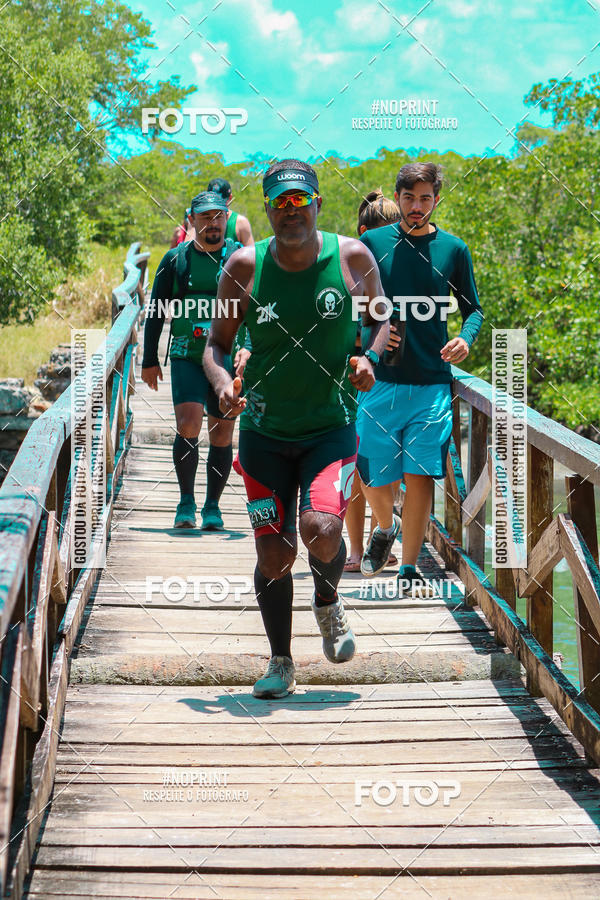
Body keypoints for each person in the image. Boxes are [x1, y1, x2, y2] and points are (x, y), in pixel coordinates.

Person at [203, 159, 389, 699]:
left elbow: (382, 318)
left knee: (323, 529)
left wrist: (369, 358)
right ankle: (281, 661)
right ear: (266, 209)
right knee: (272, 552)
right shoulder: (244, 266)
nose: (291, 212)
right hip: (263, 432)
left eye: (299, 201)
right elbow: (215, 344)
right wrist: (220, 385)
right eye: (280, 203)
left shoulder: (352, 257)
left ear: (317, 204)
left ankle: (328, 603)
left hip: (330, 426)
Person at [356, 162, 483, 592]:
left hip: (431, 382)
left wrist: (466, 339)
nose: (416, 207)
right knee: (373, 472)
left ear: (436, 200)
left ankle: (408, 569)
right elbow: (347, 305)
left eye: (426, 198)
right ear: (398, 198)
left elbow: (474, 311)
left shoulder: (453, 250)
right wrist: (368, 335)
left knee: (420, 475)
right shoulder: (371, 244)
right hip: (381, 382)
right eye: (409, 198)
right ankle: (386, 524)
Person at [141, 191, 241, 530]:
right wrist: (149, 358)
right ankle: (186, 501)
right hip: (186, 352)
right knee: (188, 424)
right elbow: (155, 311)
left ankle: (213, 505)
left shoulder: (241, 258)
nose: (213, 224)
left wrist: (251, 349)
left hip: (227, 356)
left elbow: (258, 309)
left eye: (219, 217)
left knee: (222, 432)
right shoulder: (175, 260)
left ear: (228, 217)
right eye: (205, 218)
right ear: (191, 220)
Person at [345, 190, 401, 573]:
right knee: (355, 470)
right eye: (387, 233)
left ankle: (385, 539)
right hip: (352, 380)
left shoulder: (404, 269)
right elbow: (340, 328)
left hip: (396, 383)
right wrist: (372, 341)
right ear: (365, 233)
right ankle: (354, 548)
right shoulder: (351, 270)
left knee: (383, 469)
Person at [207, 177, 254, 245]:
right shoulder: (202, 220)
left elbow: (252, 253)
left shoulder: (240, 223)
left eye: (221, 201)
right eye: (213, 201)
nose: (216, 206)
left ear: (230, 198)